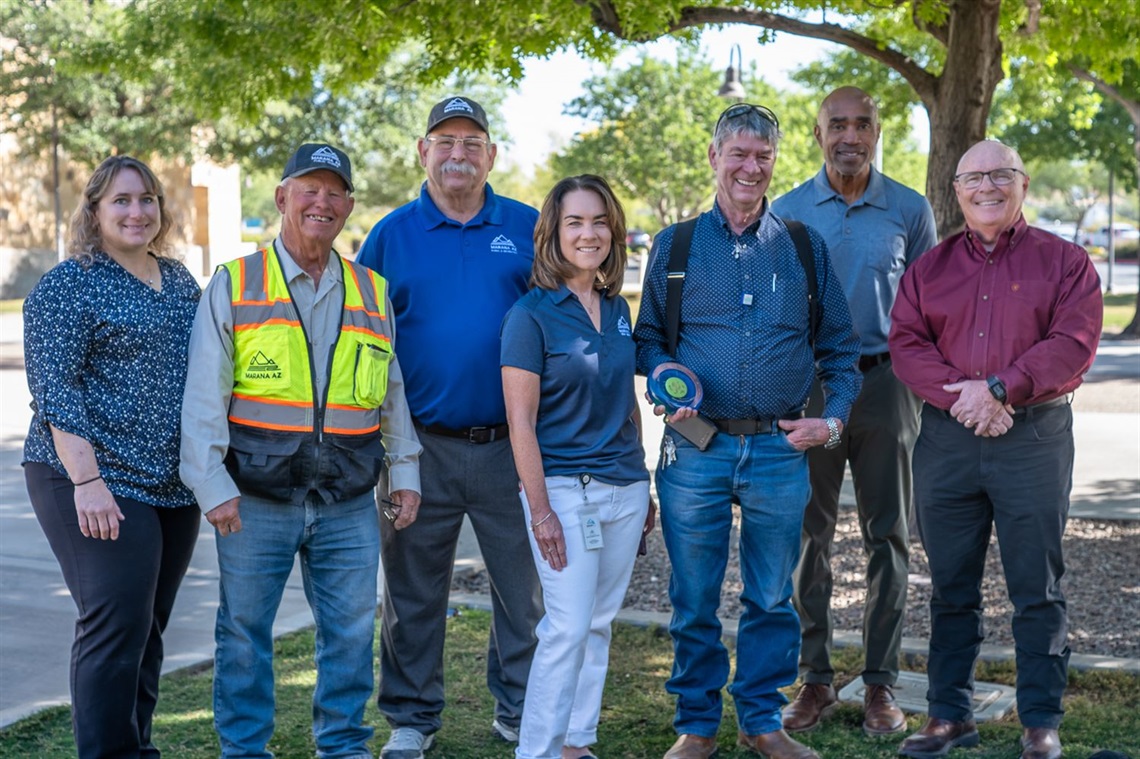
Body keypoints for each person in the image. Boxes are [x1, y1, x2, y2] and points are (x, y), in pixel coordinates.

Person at [179, 143, 422, 759]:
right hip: (253, 498)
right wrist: (211, 484)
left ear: (348, 206)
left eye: (334, 191)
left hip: (346, 498)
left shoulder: (372, 290)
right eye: (308, 188)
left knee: (349, 633)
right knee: (243, 632)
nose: (322, 201)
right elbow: (204, 393)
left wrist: (406, 470)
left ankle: (342, 745)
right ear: (282, 197)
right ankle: (244, 750)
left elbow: (391, 392)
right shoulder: (236, 282)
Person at [634, 103, 862, 759]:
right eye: (737, 153)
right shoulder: (675, 247)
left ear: (774, 163)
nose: (749, 167)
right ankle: (697, 724)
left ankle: (762, 720)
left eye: (762, 156)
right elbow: (647, 338)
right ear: (713, 157)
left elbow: (841, 353)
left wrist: (833, 417)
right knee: (694, 596)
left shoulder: (802, 246)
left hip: (778, 449)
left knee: (770, 596)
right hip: (694, 446)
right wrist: (662, 375)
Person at [889, 140, 1102, 759]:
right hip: (948, 441)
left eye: (1000, 174)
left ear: (1023, 184)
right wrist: (969, 400)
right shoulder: (929, 269)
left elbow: (1075, 342)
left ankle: (1040, 721)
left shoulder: (1066, 262)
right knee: (950, 585)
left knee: (1036, 586)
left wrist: (1001, 389)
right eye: (973, 177)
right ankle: (949, 714)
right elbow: (906, 344)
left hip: (1033, 438)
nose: (987, 186)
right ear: (956, 191)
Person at [356, 95, 543, 759]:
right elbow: (363, 342)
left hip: (511, 445)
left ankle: (521, 705)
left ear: (491, 155)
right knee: (409, 590)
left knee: (524, 587)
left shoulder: (527, 226)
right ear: (423, 152)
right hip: (418, 447)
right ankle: (411, 715)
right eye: (445, 141)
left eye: (472, 142)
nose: (458, 153)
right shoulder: (390, 235)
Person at [770, 86, 937, 737]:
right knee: (805, 537)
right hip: (807, 388)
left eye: (861, 124)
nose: (849, 134)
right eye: (836, 123)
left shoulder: (909, 208)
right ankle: (813, 679)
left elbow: (927, 308)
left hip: (884, 385)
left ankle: (879, 683)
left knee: (887, 536)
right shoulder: (785, 211)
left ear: (876, 133)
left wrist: (921, 389)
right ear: (818, 134)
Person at [22, 155, 202, 758]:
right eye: (121, 200)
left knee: (146, 631)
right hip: (88, 474)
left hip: (170, 485)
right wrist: (88, 481)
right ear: (94, 211)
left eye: (147, 199)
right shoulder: (68, 283)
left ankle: (135, 748)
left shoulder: (178, 280)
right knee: (113, 627)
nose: (137, 211)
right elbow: (55, 389)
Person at [501, 175, 655, 759]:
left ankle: (575, 742)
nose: (588, 234)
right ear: (553, 233)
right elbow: (521, 425)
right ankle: (536, 751)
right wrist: (539, 511)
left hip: (624, 489)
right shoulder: (529, 316)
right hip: (564, 492)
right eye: (575, 222)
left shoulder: (617, 309)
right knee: (565, 627)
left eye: (599, 222)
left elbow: (626, 403)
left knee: (597, 622)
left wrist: (643, 484)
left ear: (613, 233)